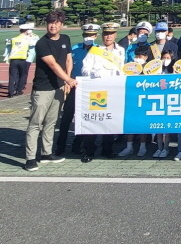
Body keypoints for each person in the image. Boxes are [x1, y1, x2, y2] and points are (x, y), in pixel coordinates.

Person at [24, 11, 76, 172]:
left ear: (61, 24)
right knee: (35, 124)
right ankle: (30, 158)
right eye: (50, 22)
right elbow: (53, 65)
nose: (53, 25)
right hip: (43, 89)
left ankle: (46, 153)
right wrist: (69, 80)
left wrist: (66, 80)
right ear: (46, 24)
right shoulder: (42, 44)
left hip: (59, 87)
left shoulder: (66, 39)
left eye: (56, 22)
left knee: (51, 122)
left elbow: (68, 59)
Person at [79, 22, 126, 163]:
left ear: (115, 35)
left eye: (111, 34)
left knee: (109, 121)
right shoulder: (94, 50)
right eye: (106, 34)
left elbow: (123, 68)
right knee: (95, 120)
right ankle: (89, 151)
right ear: (102, 35)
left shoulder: (120, 51)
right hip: (97, 90)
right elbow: (84, 69)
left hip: (113, 90)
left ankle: (108, 149)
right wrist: (93, 73)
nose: (108, 37)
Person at [56, 23, 100, 156]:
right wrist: (66, 82)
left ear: (96, 36)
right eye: (87, 35)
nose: (89, 37)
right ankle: (60, 146)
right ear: (83, 36)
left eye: (92, 35)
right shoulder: (74, 49)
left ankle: (78, 144)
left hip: (93, 88)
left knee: (87, 118)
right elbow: (66, 65)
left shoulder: (100, 50)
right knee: (66, 118)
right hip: (75, 86)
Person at [118, 45, 151, 157]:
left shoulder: (150, 68)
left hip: (145, 100)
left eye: (140, 56)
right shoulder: (130, 67)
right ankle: (129, 147)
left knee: (142, 124)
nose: (138, 58)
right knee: (130, 123)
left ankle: (142, 147)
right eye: (136, 56)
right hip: (131, 99)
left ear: (146, 57)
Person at [4, 22, 38, 97]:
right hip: (22, 59)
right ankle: (19, 90)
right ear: (26, 31)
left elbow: (7, 42)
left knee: (12, 76)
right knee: (22, 75)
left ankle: (10, 92)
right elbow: (35, 43)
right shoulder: (28, 39)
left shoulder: (14, 39)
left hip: (13, 60)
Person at [153, 50, 174, 158]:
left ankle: (166, 148)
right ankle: (159, 148)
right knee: (159, 127)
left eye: (168, 58)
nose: (165, 60)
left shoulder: (174, 70)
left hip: (169, 101)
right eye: (164, 58)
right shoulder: (157, 69)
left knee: (167, 128)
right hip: (158, 100)